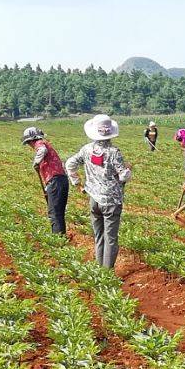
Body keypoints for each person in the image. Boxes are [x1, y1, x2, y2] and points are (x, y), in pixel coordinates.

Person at [65, 114, 132, 268]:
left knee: (99, 236)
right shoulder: (114, 152)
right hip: (111, 201)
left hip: (94, 199)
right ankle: (107, 273)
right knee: (111, 239)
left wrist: (77, 182)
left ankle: (99, 269)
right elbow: (124, 176)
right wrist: (128, 170)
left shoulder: (86, 149)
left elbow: (70, 164)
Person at [23, 127, 69, 235]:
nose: (30, 145)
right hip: (61, 180)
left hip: (55, 181)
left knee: (54, 212)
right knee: (58, 212)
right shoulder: (46, 144)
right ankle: (61, 236)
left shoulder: (40, 143)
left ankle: (57, 240)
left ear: (32, 140)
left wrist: (36, 162)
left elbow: (42, 150)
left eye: (29, 142)